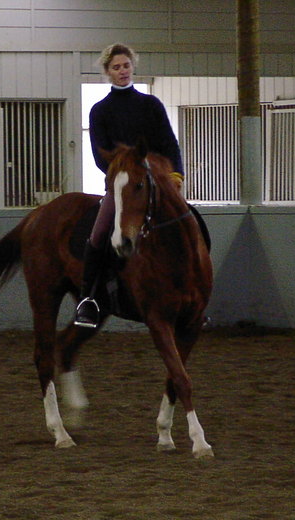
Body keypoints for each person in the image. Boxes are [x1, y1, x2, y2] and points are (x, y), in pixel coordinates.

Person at [74, 43, 185, 328]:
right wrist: (124, 179)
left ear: (132, 67)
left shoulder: (151, 105)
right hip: (123, 186)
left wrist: (176, 175)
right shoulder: (100, 111)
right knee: (98, 234)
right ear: (108, 72)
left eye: (126, 66)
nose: (122, 71)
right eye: (116, 67)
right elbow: (100, 155)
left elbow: (170, 143)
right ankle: (88, 300)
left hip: (157, 183)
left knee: (190, 225)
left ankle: (192, 295)